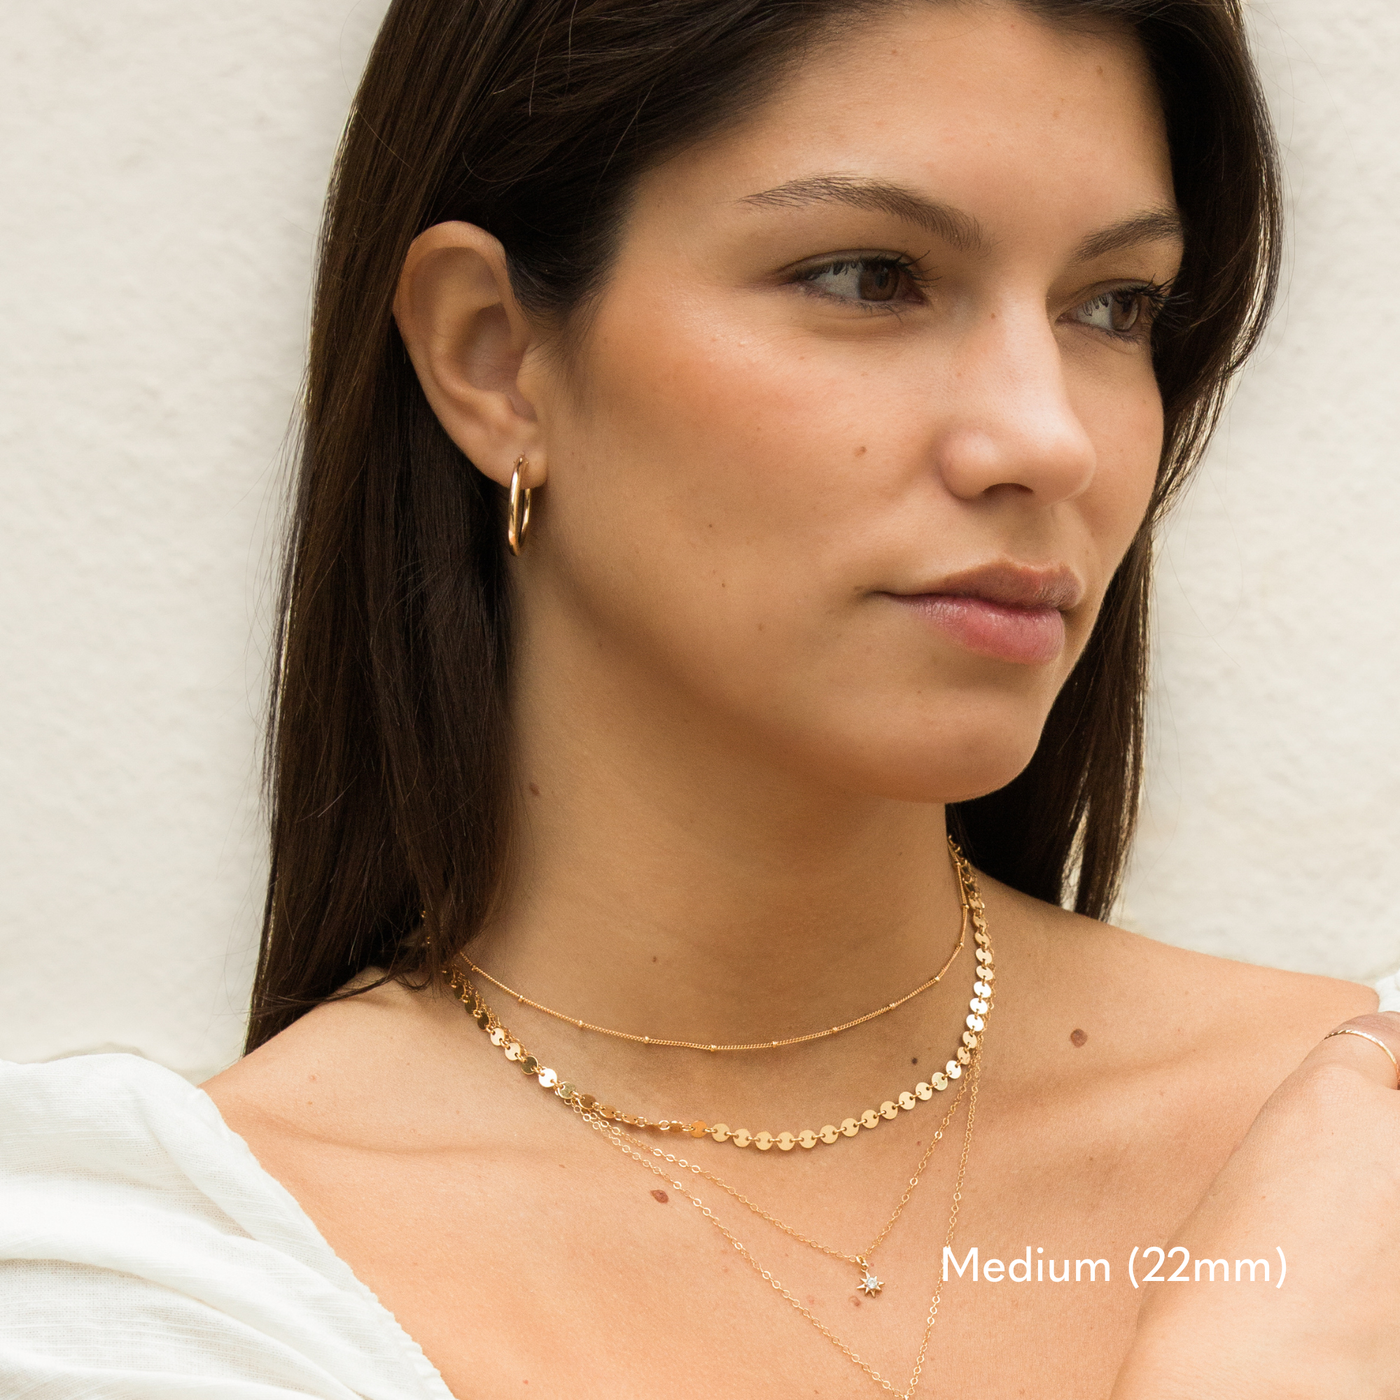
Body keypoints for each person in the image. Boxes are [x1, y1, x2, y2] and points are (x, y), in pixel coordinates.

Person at [3, 0, 1398, 1395]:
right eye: (869, 276)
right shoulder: (166, 1287)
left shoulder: (1354, 1139)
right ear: (494, 354)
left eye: (1114, 306)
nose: (1044, 438)